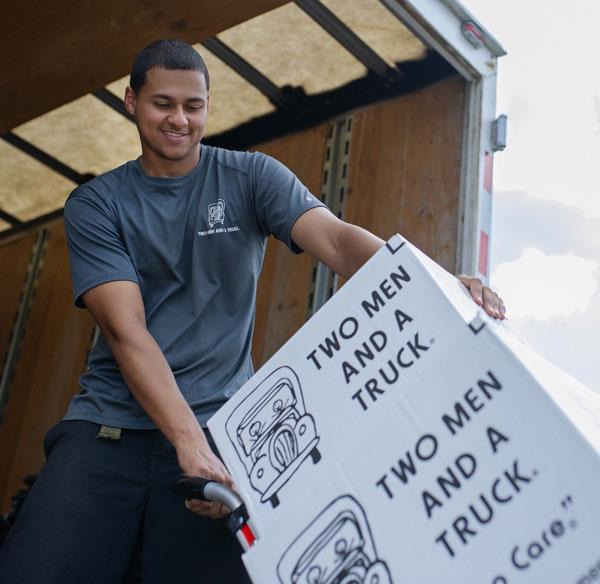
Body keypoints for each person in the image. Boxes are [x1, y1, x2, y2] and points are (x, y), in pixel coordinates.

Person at [0, 39, 505, 583]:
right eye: (162, 103)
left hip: (221, 430)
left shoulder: (251, 177)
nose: (179, 119)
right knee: (35, 567)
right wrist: (187, 441)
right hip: (109, 426)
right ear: (131, 102)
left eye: (193, 106)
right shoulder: (98, 203)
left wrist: (437, 281)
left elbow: (337, 242)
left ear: (207, 107)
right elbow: (128, 334)